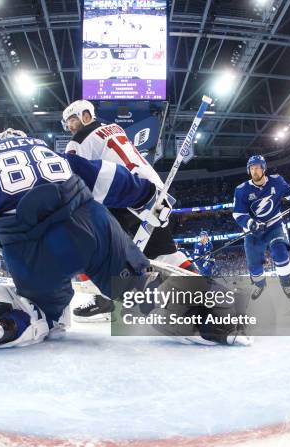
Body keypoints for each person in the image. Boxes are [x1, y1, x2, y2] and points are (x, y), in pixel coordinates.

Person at [0, 129, 250, 348]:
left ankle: (17, 321)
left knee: (48, 313)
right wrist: (147, 196)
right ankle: (212, 321)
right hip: (87, 217)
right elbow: (107, 178)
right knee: (138, 286)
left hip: (27, 242)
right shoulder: (52, 152)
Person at [62, 99, 193, 322]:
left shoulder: (77, 143)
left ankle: (105, 300)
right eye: (68, 123)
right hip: (154, 190)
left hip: (122, 195)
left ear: (86, 115)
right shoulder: (116, 128)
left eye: (73, 120)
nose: (71, 127)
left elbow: (78, 180)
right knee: (165, 252)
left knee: (89, 246)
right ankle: (206, 291)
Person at [232, 155, 290, 300]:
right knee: (254, 265)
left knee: (280, 252)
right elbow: (238, 214)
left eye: (257, 167)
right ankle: (260, 285)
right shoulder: (241, 190)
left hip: (274, 225)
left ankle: (286, 284)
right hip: (253, 231)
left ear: (264, 169)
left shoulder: (277, 181)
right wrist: (251, 224)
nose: (254, 171)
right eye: (252, 168)